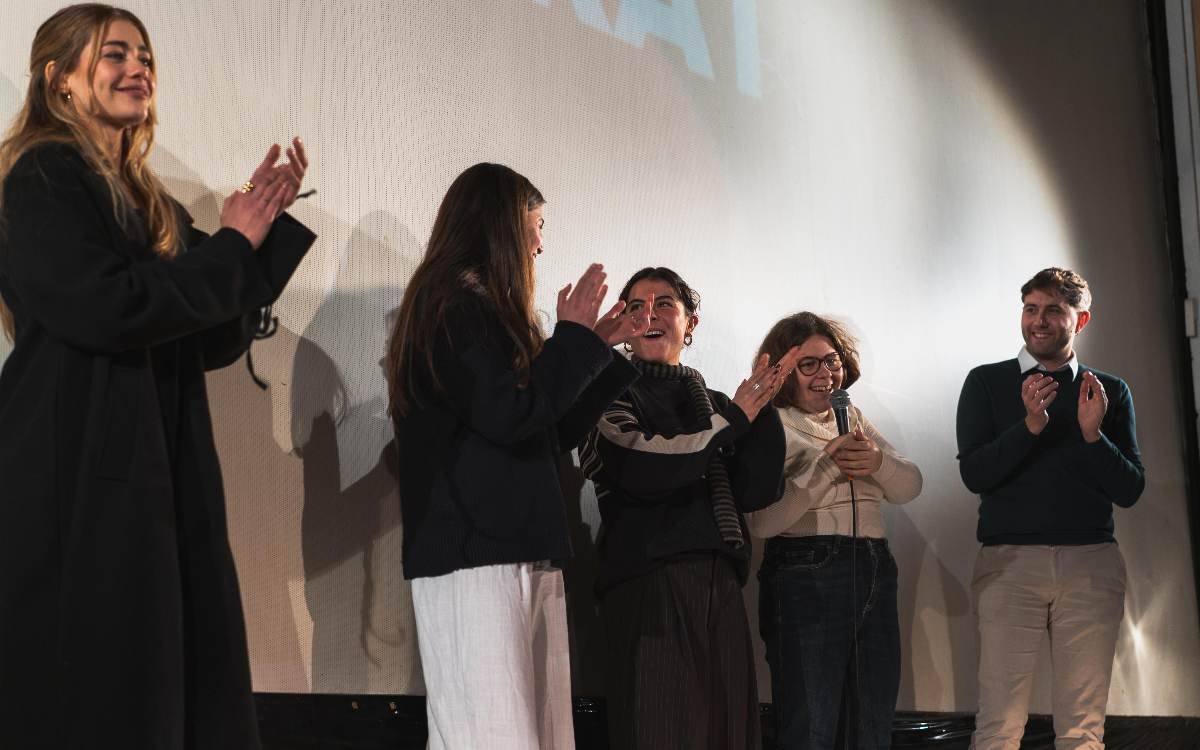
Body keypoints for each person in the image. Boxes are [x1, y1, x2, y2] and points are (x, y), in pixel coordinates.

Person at [0, 4, 316, 748]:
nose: (137, 68)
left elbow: (200, 340)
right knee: (96, 681)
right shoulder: (44, 174)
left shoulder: (154, 203)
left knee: (159, 673)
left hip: (154, 458)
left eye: (144, 56)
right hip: (72, 462)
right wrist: (232, 244)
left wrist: (254, 242)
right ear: (61, 80)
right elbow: (108, 309)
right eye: (114, 54)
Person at [385, 162, 646, 750]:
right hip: (473, 556)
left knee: (541, 739)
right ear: (500, 226)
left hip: (520, 551)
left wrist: (594, 350)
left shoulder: (488, 312)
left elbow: (546, 433)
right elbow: (509, 414)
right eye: (535, 224)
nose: (540, 243)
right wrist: (571, 342)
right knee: (492, 739)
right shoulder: (449, 304)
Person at [578, 266, 799, 749]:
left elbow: (755, 492)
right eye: (636, 306)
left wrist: (766, 406)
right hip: (648, 583)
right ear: (623, 324)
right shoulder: (607, 390)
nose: (649, 314)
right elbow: (642, 466)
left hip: (720, 580)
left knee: (728, 731)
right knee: (659, 729)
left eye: (664, 304)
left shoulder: (718, 404)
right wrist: (736, 417)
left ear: (690, 324)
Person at [956, 267, 1144, 750]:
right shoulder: (986, 383)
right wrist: (1029, 427)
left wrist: (1091, 434)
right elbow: (975, 475)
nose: (1038, 321)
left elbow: (1129, 489)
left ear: (1080, 321)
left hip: (1091, 564)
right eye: (1031, 309)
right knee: (999, 724)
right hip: (1008, 563)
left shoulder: (1107, 391)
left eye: (1053, 311)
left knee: (1083, 729)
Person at [746, 312, 922, 749]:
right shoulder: (771, 424)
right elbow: (762, 522)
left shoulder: (853, 417)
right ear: (783, 371)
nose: (825, 374)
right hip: (807, 571)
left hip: (874, 569)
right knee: (811, 726)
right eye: (809, 365)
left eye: (832, 361)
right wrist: (825, 468)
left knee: (871, 724)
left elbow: (910, 486)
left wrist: (877, 462)